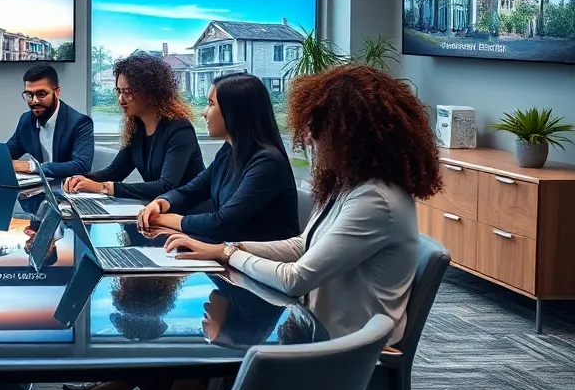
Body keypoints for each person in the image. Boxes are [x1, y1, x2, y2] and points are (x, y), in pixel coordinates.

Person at [166, 64, 440, 344]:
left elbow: (294, 279)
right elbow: (303, 245)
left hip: (348, 348)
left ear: (349, 137)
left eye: (316, 129)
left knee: (216, 353)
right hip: (319, 331)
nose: (307, 139)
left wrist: (229, 254)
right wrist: (229, 249)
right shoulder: (349, 186)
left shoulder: (375, 200)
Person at [136, 73, 299, 242]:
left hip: (256, 257)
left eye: (210, 104)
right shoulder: (229, 151)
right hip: (229, 250)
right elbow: (190, 191)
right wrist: (161, 202)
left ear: (234, 111)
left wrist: (164, 219)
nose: (204, 113)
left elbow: (222, 222)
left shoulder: (267, 162)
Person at [65, 54, 204, 201]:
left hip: (192, 210)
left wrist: (102, 187)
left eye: (128, 92)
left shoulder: (180, 129)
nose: (120, 100)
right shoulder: (137, 129)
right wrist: (80, 178)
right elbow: (115, 171)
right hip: (160, 209)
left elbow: (166, 186)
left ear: (151, 92)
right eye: (119, 91)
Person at [6, 63, 95, 179]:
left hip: (64, 186)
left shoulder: (80, 123)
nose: (34, 101)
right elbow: (5, 155)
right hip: (37, 186)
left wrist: (32, 167)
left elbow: (82, 166)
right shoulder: (26, 120)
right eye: (29, 95)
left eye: (41, 94)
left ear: (57, 92)